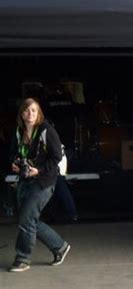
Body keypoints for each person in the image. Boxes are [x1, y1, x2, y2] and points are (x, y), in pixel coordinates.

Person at [8, 98, 71, 272]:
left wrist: (39, 170)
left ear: (39, 114)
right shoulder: (19, 132)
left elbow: (56, 156)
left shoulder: (46, 130)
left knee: (26, 219)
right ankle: (59, 246)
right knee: (29, 220)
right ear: (22, 113)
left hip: (43, 181)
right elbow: (13, 153)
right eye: (27, 110)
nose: (30, 114)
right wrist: (14, 163)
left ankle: (23, 258)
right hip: (25, 180)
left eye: (34, 111)